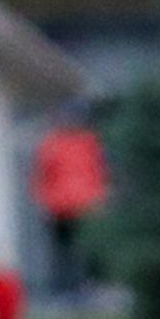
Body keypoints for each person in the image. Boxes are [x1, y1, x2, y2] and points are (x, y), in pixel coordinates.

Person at [31, 112, 110, 293]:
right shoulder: (54, 144)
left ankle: (86, 285)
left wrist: (101, 198)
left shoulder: (86, 143)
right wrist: (43, 203)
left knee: (84, 248)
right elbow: (42, 175)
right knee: (64, 250)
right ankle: (67, 288)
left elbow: (99, 172)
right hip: (62, 207)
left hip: (82, 206)